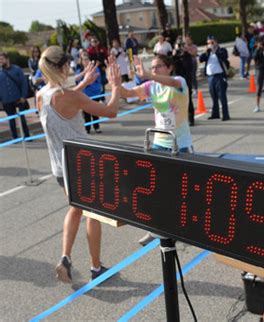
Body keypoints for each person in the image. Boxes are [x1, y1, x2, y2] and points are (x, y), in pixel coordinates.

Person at [37, 46, 122, 282]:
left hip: (59, 168)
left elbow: (62, 102)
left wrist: (83, 83)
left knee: (75, 207)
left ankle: (65, 257)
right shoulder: (70, 97)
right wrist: (114, 86)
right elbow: (110, 111)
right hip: (81, 165)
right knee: (92, 213)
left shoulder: (41, 95)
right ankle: (96, 267)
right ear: (63, 67)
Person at [119, 55, 193, 246]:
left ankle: (181, 229)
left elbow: (172, 81)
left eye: (158, 66)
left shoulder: (179, 83)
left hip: (180, 144)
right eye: (152, 67)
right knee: (155, 189)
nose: (155, 70)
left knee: (178, 191)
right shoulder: (151, 86)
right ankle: (156, 229)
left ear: (169, 67)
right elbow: (128, 94)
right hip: (158, 143)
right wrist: (115, 83)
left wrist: (148, 75)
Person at [0, 52, 31, 139]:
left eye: (2, 59)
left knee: (22, 118)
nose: (0, 61)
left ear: (7, 59)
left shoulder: (17, 69)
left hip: (18, 98)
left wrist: (23, 96)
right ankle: (15, 138)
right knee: (11, 119)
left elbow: (24, 84)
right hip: (6, 100)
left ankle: (27, 136)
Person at [199, 36, 230, 121]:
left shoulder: (221, 50)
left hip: (219, 76)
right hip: (210, 77)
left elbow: (224, 57)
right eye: (208, 43)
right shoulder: (208, 53)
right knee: (214, 96)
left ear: (216, 42)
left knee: (222, 96)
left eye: (212, 43)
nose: (210, 45)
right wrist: (205, 52)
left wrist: (214, 51)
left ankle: (225, 115)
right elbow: (201, 59)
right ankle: (215, 114)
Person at [75, 51, 104, 134]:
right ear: (81, 61)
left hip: (95, 93)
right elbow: (76, 79)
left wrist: (86, 81)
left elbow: (94, 80)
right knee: (86, 112)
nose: (86, 61)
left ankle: (96, 127)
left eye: (87, 59)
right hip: (84, 94)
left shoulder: (95, 69)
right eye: (84, 60)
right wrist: (84, 72)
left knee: (95, 111)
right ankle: (87, 128)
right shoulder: (80, 70)